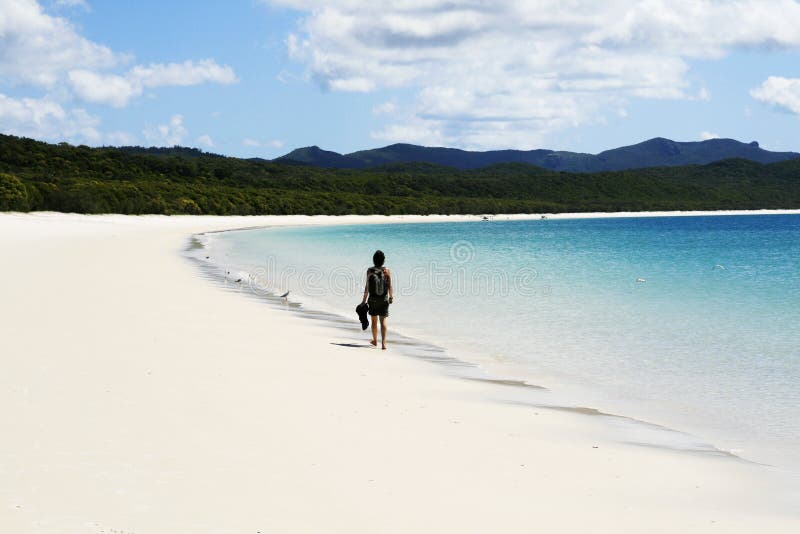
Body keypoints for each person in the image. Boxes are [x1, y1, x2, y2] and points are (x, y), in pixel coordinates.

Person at [361, 250, 393, 350]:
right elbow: (390, 286)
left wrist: (363, 301)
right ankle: (383, 344)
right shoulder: (387, 270)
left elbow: (367, 287)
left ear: (374, 260)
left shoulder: (370, 271)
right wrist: (391, 297)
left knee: (374, 321)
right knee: (383, 321)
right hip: (384, 299)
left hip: (373, 299)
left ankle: (375, 340)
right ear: (383, 260)